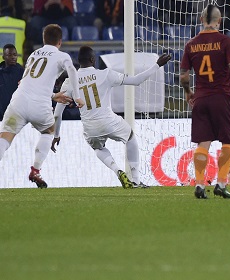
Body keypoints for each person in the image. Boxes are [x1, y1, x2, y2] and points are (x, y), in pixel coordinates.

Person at [52, 46, 171, 188]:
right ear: (93, 59)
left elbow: (57, 114)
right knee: (130, 137)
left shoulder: (69, 82)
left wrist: (56, 135)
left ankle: (117, 170)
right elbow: (136, 80)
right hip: (109, 121)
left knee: (98, 148)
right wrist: (157, 65)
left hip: (90, 127)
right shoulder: (106, 74)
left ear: (79, 61)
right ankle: (135, 180)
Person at [0, 25, 84, 188]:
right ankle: (35, 170)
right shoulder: (62, 55)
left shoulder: (33, 55)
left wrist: (53, 95)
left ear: (44, 39)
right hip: (40, 105)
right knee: (49, 131)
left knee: (5, 137)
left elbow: (25, 83)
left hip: (18, 102)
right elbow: (72, 71)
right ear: (60, 42)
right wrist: (77, 96)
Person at [179, 5, 230, 200]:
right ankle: (221, 183)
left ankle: (200, 183)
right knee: (228, 141)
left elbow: (183, 75)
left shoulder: (191, 44)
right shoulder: (226, 41)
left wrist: (188, 92)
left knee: (203, 142)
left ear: (201, 20)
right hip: (222, 98)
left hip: (201, 99)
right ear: (219, 21)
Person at [0, 43, 22, 117]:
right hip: (1, 114)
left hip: (18, 114)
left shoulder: (22, 72)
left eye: (15, 55)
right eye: (9, 55)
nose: (13, 57)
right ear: (3, 57)